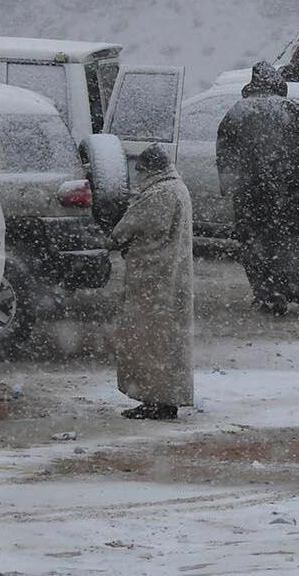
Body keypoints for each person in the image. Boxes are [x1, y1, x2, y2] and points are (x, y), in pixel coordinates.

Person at [216, 62, 299, 313]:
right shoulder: (295, 110)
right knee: (290, 242)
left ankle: (266, 290)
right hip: (295, 194)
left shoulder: (238, 112)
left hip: (251, 195)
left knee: (256, 242)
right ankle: (289, 287)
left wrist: (227, 183)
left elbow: (224, 150)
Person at [109, 143, 195, 419]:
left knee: (149, 342)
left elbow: (127, 229)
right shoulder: (178, 189)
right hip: (171, 281)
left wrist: (113, 240)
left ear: (148, 170)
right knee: (169, 342)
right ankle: (165, 398)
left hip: (153, 282)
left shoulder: (159, 193)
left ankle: (155, 399)